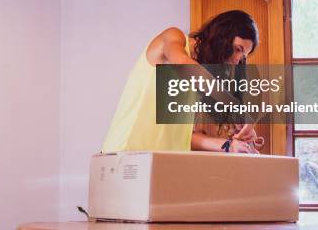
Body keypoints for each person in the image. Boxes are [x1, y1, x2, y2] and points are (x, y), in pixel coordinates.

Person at [102, 10, 262, 153]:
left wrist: (234, 138)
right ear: (223, 36)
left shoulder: (202, 81)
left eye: (242, 57)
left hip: (164, 163)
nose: (236, 60)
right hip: (124, 154)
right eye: (238, 49)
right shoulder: (173, 38)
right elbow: (183, 64)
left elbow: (188, 137)